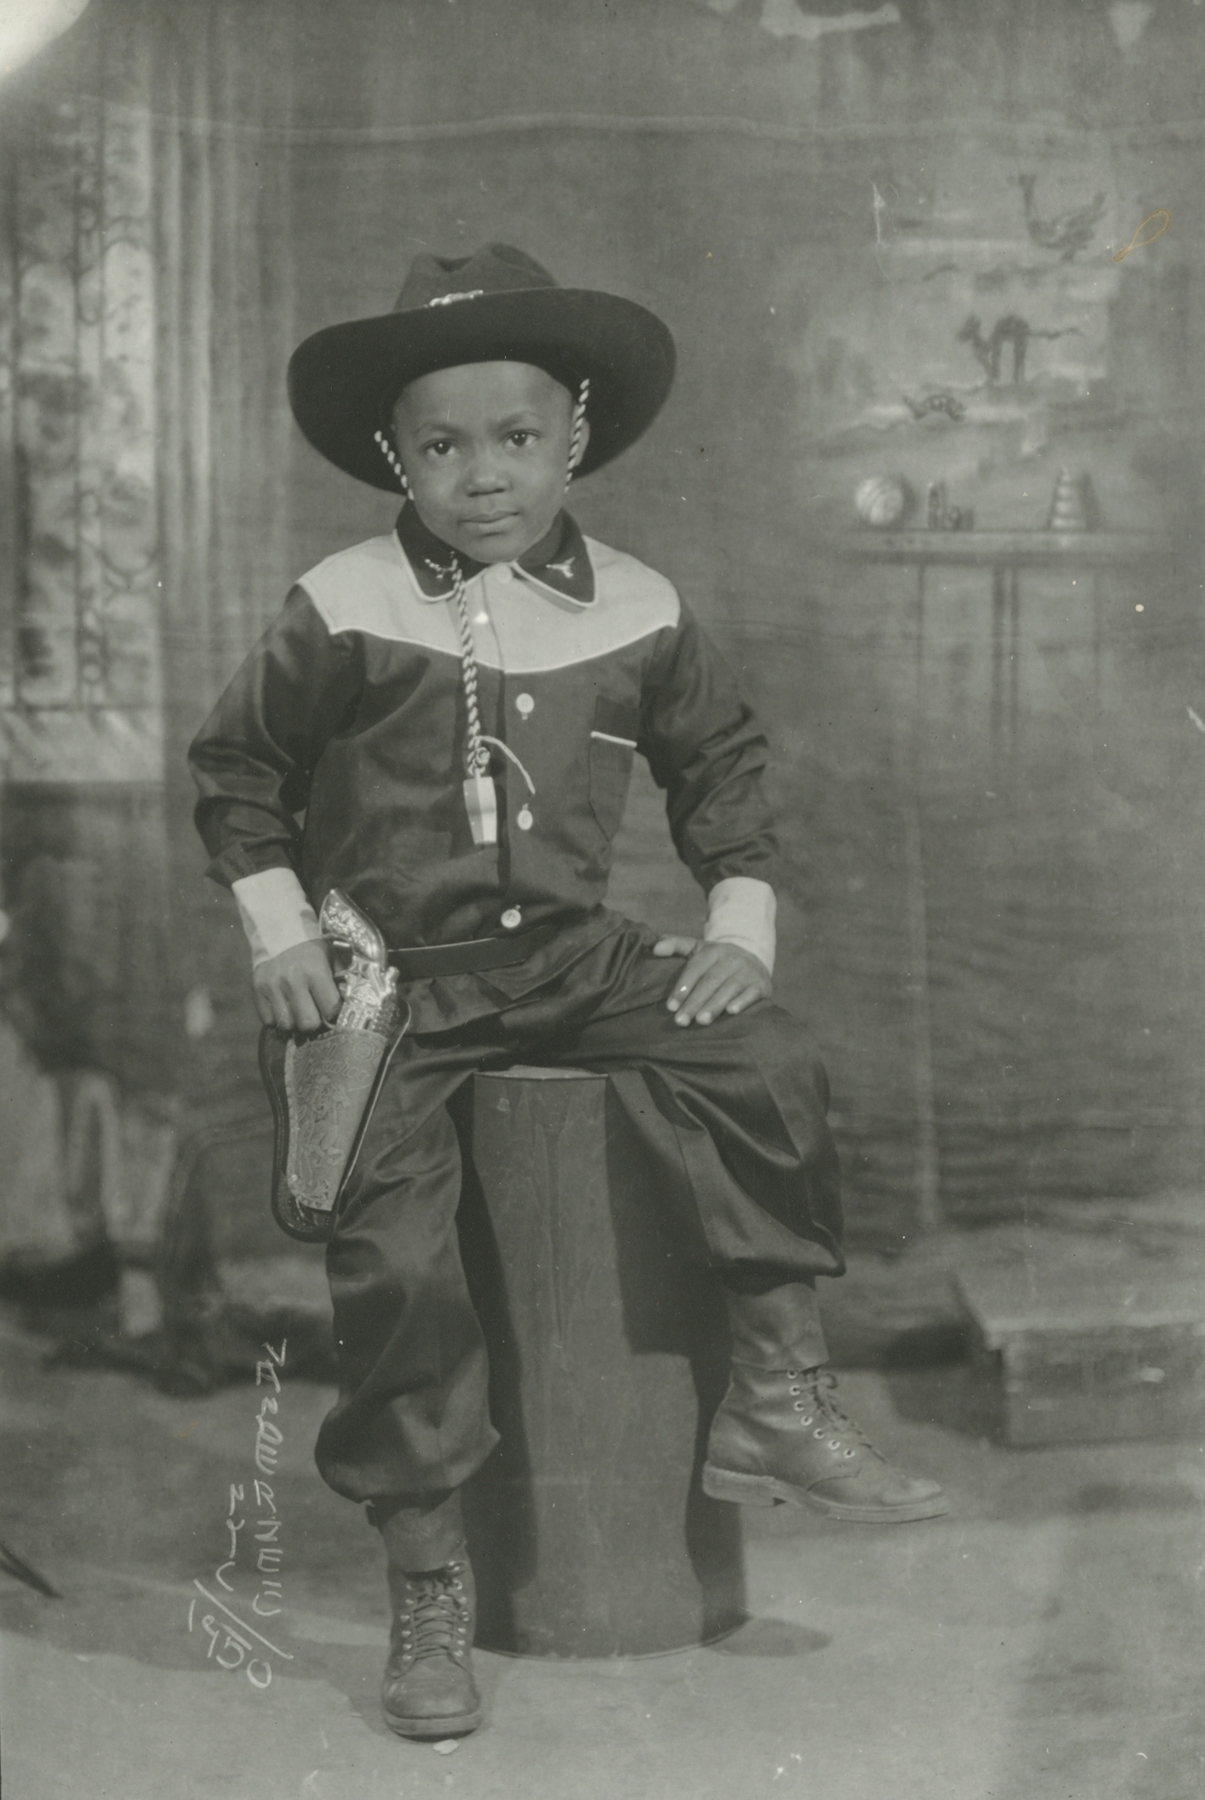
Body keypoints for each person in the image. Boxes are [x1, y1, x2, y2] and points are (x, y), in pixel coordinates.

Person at [189, 242, 947, 1742]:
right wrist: (278, 927)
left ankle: (777, 1401)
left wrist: (737, 913)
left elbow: (719, 762)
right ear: (392, 455)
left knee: (767, 1061)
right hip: (384, 979)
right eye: (442, 446)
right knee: (395, 1263)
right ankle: (427, 1587)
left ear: (576, 437)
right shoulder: (339, 604)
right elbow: (238, 771)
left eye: (517, 439)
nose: (484, 478)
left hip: (567, 958)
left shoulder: (642, 604)